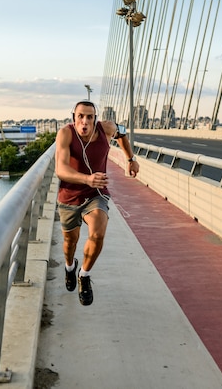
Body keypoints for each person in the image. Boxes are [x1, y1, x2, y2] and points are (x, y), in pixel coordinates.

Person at [55, 100, 139, 305]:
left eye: (89, 117)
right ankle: (69, 267)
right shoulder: (65, 134)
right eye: (80, 116)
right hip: (70, 196)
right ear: (73, 117)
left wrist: (130, 159)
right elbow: (61, 170)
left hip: (96, 194)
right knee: (70, 243)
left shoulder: (107, 129)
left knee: (98, 233)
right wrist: (86, 178)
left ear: (95, 118)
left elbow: (123, 133)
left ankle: (84, 275)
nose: (84, 121)